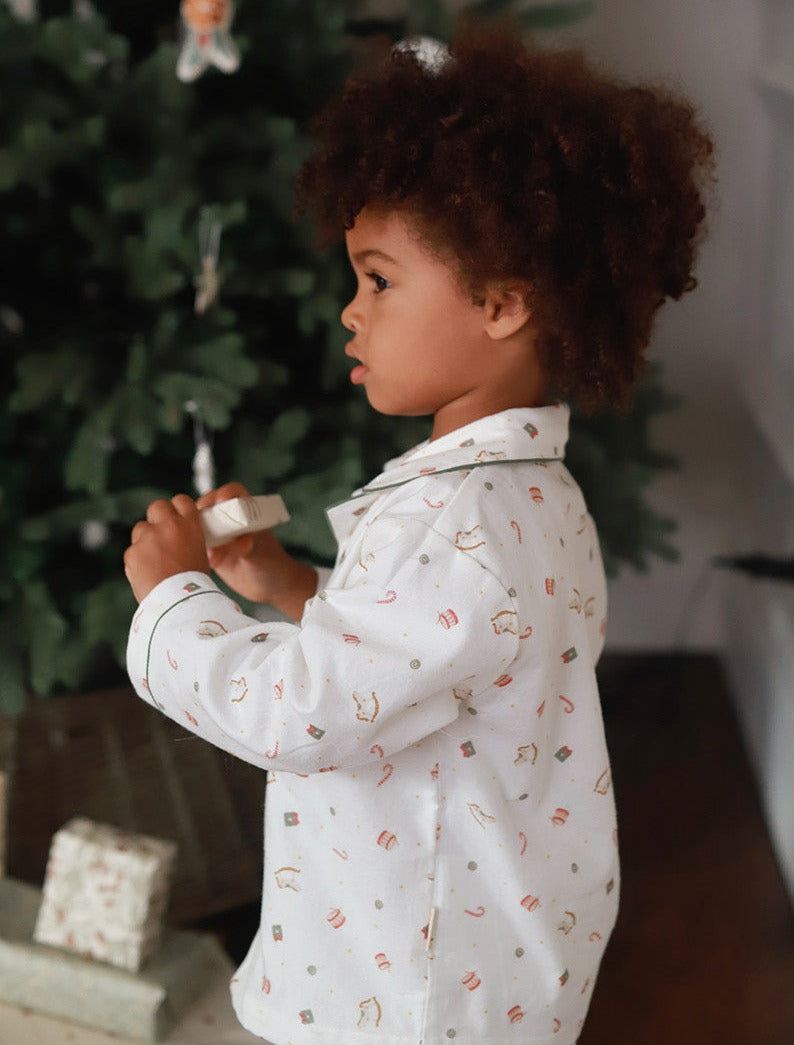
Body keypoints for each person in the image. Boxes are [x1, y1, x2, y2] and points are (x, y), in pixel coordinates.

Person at [123, 26, 713, 1044]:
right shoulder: (529, 497)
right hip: (472, 961)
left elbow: (300, 715)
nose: (350, 313)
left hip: (404, 989)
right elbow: (434, 657)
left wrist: (174, 599)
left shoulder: (456, 522)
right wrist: (295, 585)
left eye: (379, 280)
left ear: (499, 303)